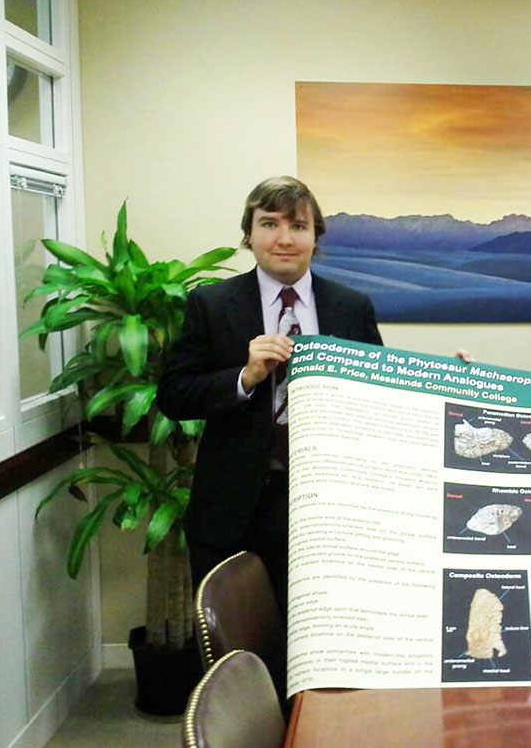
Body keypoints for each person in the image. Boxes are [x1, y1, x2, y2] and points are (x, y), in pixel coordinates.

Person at [157, 176, 383, 613]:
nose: (284, 239)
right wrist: (244, 377)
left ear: (315, 237)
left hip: (328, 510)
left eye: (298, 226)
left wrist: (445, 381)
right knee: (237, 646)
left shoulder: (352, 307)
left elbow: (378, 397)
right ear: (249, 233)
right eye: (269, 224)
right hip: (232, 509)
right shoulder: (210, 304)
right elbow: (174, 394)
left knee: (320, 639)